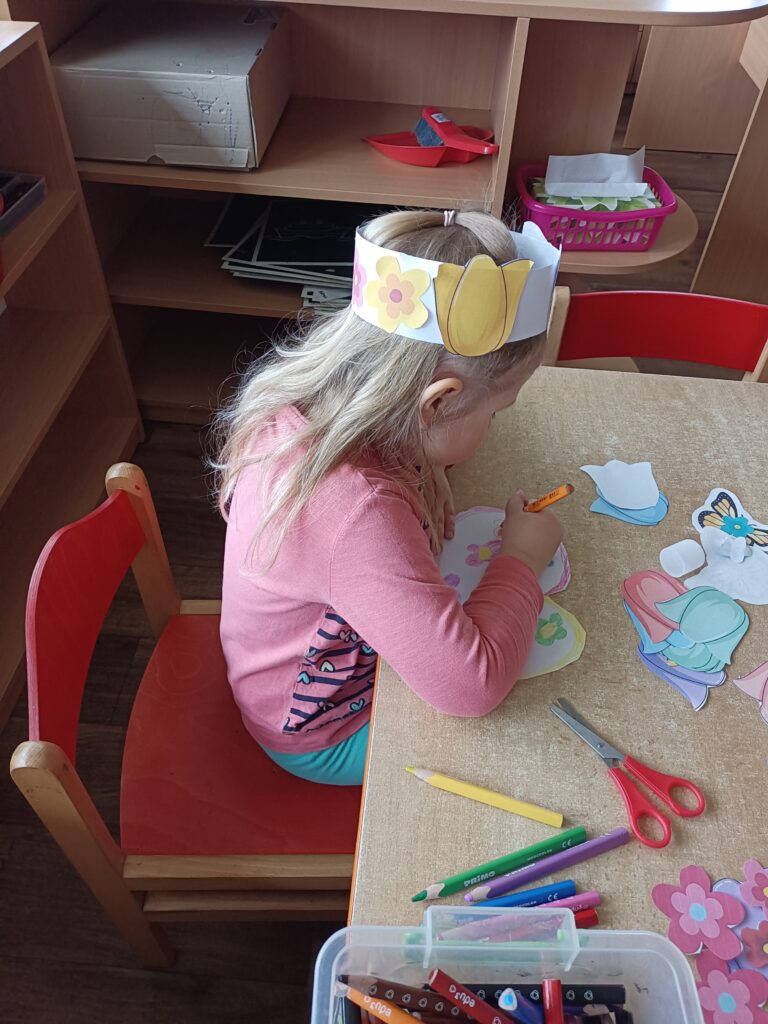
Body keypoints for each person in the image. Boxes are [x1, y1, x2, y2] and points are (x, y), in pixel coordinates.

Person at [214, 208, 563, 786]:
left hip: (288, 670)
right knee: (514, 746)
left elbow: (386, 466)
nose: (497, 424)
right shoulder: (355, 514)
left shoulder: (313, 405)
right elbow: (471, 687)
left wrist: (425, 463)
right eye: (496, 413)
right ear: (438, 403)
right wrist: (521, 558)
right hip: (321, 731)